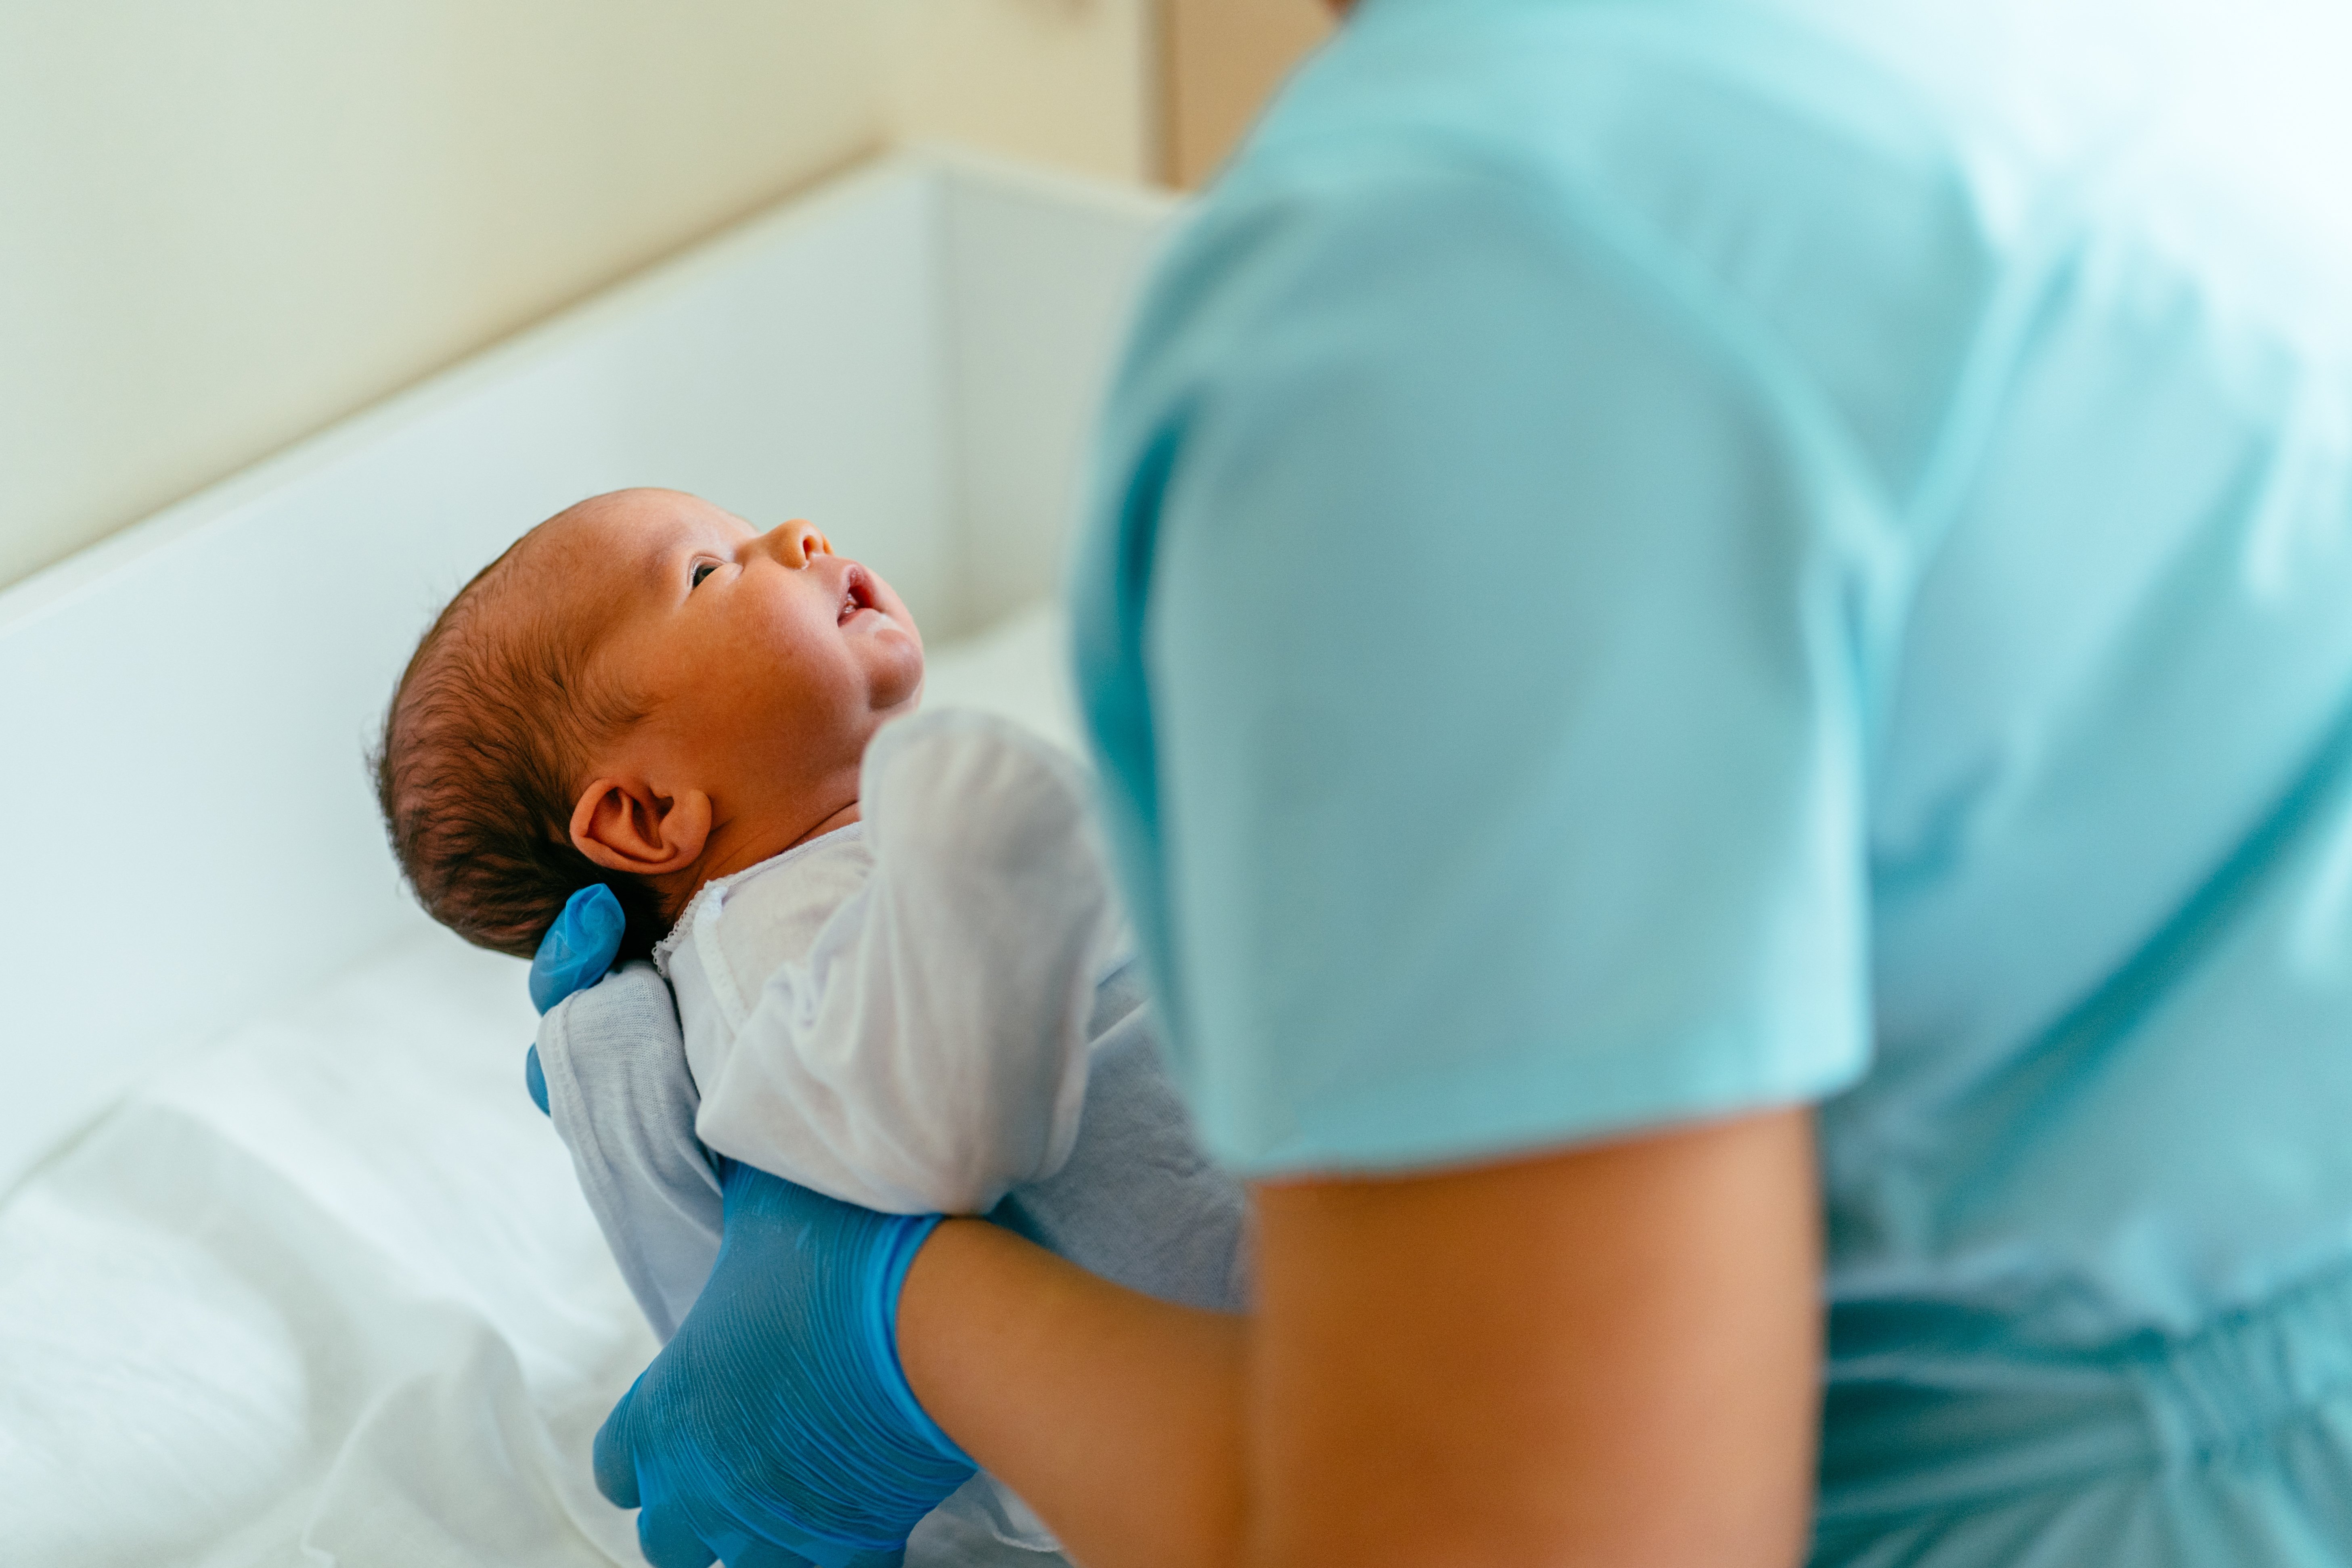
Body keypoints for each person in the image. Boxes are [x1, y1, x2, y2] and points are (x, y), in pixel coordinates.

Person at [582, 0, 2352, 1563]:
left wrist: (898, 1322)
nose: (791, 541)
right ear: (636, 815)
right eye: (708, 573)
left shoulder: (1451, 297)